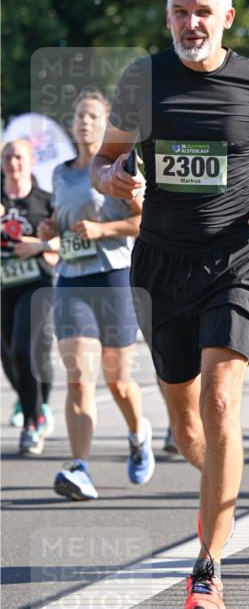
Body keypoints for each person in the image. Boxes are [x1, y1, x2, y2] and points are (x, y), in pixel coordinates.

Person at [91, 0, 249, 609]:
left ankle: (207, 568)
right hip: (160, 266)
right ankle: (220, 476)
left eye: (204, 12)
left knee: (221, 400)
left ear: (227, 18)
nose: (192, 22)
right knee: (189, 425)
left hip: (234, 263)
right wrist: (111, 183)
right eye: (181, 12)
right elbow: (107, 158)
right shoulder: (142, 80)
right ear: (169, 18)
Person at [38, 88, 154, 500]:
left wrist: (103, 230)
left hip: (114, 276)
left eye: (93, 116)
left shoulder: (122, 167)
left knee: (119, 381)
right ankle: (79, 467)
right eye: (80, 116)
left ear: (106, 124)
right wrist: (49, 230)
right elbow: (58, 219)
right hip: (72, 279)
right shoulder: (60, 173)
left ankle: (139, 434)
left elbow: (144, 223)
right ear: (72, 124)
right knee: (78, 378)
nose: (85, 122)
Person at [1, 139, 57, 455]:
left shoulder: (45, 201)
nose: (13, 162)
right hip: (4, 286)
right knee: (9, 355)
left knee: (25, 349)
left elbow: (67, 240)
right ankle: (34, 404)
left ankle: (33, 422)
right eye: (7, 157)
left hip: (37, 284)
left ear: (32, 161)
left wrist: (40, 245)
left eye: (19, 156)